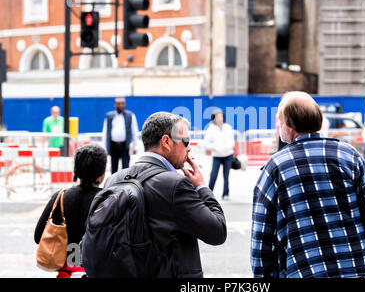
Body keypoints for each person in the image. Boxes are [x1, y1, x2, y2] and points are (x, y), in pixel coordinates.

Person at [251, 91, 365, 278]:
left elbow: (262, 242)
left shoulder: (275, 168)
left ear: (290, 125)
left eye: (280, 121)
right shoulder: (349, 156)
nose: (278, 126)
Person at [103, 112, 227, 278]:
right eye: (186, 141)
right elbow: (217, 231)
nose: (189, 148)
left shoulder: (113, 180)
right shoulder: (175, 184)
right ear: (166, 142)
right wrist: (202, 187)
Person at [34, 144, 107, 278]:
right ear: (102, 174)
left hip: (67, 272)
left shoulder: (60, 197)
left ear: (76, 170)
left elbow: (38, 236)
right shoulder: (107, 200)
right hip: (96, 270)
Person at [101, 97, 139, 174]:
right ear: (115, 104)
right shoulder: (109, 116)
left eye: (122, 103)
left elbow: (134, 132)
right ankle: (113, 184)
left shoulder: (130, 115)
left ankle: (124, 184)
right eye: (119, 104)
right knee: (114, 168)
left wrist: (135, 146)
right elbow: (105, 132)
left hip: (125, 145)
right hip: (113, 145)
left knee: (126, 168)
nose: (121, 105)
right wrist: (105, 147)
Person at [204, 109, 235, 200]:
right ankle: (208, 193)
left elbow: (232, 141)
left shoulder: (228, 127)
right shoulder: (211, 128)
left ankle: (226, 194)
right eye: (218, 117)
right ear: (214, 118)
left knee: (226, 176)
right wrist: (215, 147)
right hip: (217, 156)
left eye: (221, 116)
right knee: (213, 175)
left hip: (228, 155)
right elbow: (206, 143)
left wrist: (227, 148)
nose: (220, 118)